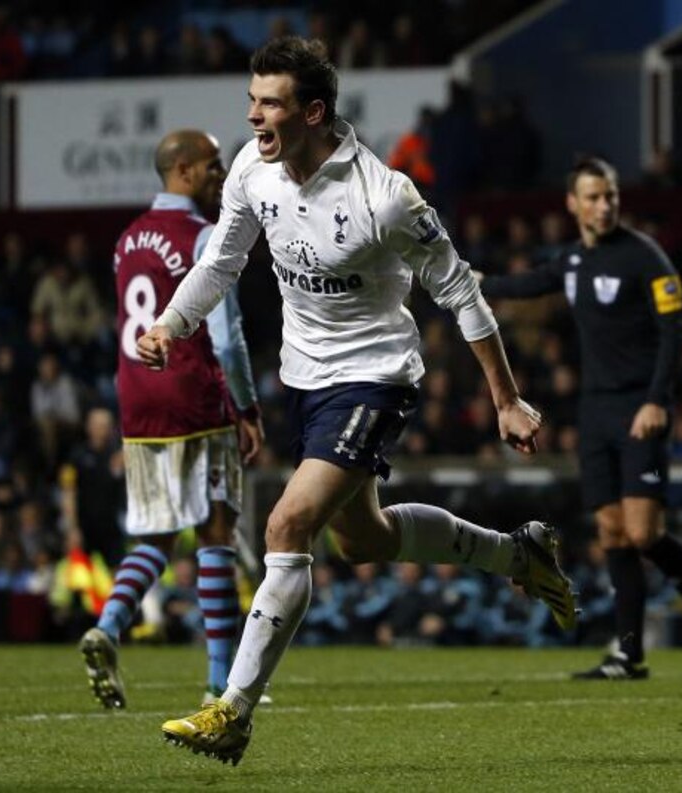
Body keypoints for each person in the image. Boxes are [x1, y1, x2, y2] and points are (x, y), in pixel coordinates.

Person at [137, 36, 576, 765]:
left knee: (288, 523)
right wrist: (171, 323)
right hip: (304, 377)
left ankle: (233, 710)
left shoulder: (387, 197)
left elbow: (462, 293)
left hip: (375, 375)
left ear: (312, 112)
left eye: (269, 103)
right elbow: (221, 260)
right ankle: (520, 554)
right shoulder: (254, 168)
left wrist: (507, 399)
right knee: (362, 540)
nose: (252, 117)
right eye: (251, 100)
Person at [481, 156, 682, 681]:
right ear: (572, 204)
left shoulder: (645, 257)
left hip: (638, 408)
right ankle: (628, 653)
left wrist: (656, 401)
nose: (604, 205)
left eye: (611, 195)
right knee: (613, 535)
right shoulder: (572, 261)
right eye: (593, 197)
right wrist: (466, 279)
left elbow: (675, 332)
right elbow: (524, 284)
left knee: (644, 533)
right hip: (594, 413)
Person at [78, 129, 265, 711]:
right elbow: (226, 337)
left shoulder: (128, 239)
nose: (219, 176)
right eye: (212, 167)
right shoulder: (205, 235)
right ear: (183, 169)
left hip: (138, 398)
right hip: (193, 395)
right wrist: (247, 407)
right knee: (215, 532)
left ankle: (107, 627)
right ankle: (217, 682)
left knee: (157, 533)